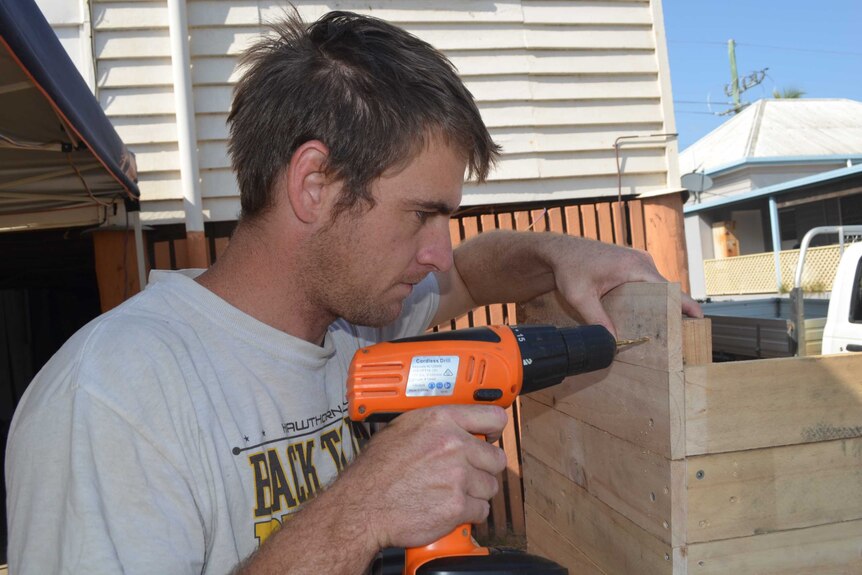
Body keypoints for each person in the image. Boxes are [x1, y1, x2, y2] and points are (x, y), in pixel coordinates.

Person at [5, 9, 701, 575]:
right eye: (422, 214)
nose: (436, 253)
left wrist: (563, 253)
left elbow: (477, 270)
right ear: (315, 184)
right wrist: (362, 511)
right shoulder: (113, 396)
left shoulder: (358, 325)